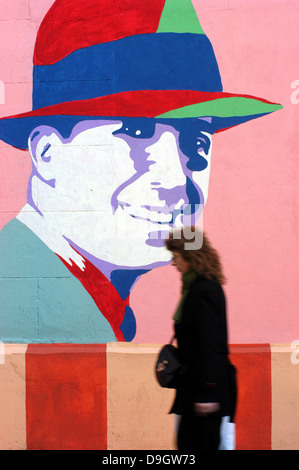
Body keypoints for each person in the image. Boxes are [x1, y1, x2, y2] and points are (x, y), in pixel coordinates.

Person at [0, 0, 281, 344]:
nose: (177, 181)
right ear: (46, 153)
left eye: (196, 141)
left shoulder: (93, 306)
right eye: (135, 132)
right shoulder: (24, 302)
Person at [165, 229, 237, 451]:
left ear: (190, 256)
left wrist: (206, 393)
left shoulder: (203, 290)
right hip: (198, 388)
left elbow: (209, 344)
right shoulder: (197, 287)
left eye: (176, 257)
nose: (173, 263)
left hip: (204, 391)